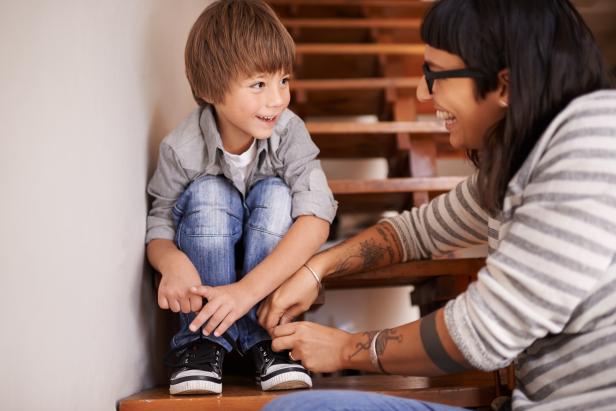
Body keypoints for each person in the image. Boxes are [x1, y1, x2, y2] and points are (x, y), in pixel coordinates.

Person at [258, 0, 616, 409]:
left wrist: (347, 350)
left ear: (505, 86)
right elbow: (414, 232)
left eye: (435, 75)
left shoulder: (593, 137)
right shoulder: (520, 166)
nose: (421, 92)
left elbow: (484, 331)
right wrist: (316, 268)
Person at [145, 0, 336, 395]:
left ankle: (268, 341)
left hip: (262, 292)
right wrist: (171, 261)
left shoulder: (289, 132)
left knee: (279, 195)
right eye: (259, 84)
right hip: (208, 277)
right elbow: (160, 220)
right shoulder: (182, 148)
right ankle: (201, 343)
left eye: (283, 80)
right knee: (210, 192)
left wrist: (246, 292)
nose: (278, 99)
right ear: (210, 89)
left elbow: (317, 216)